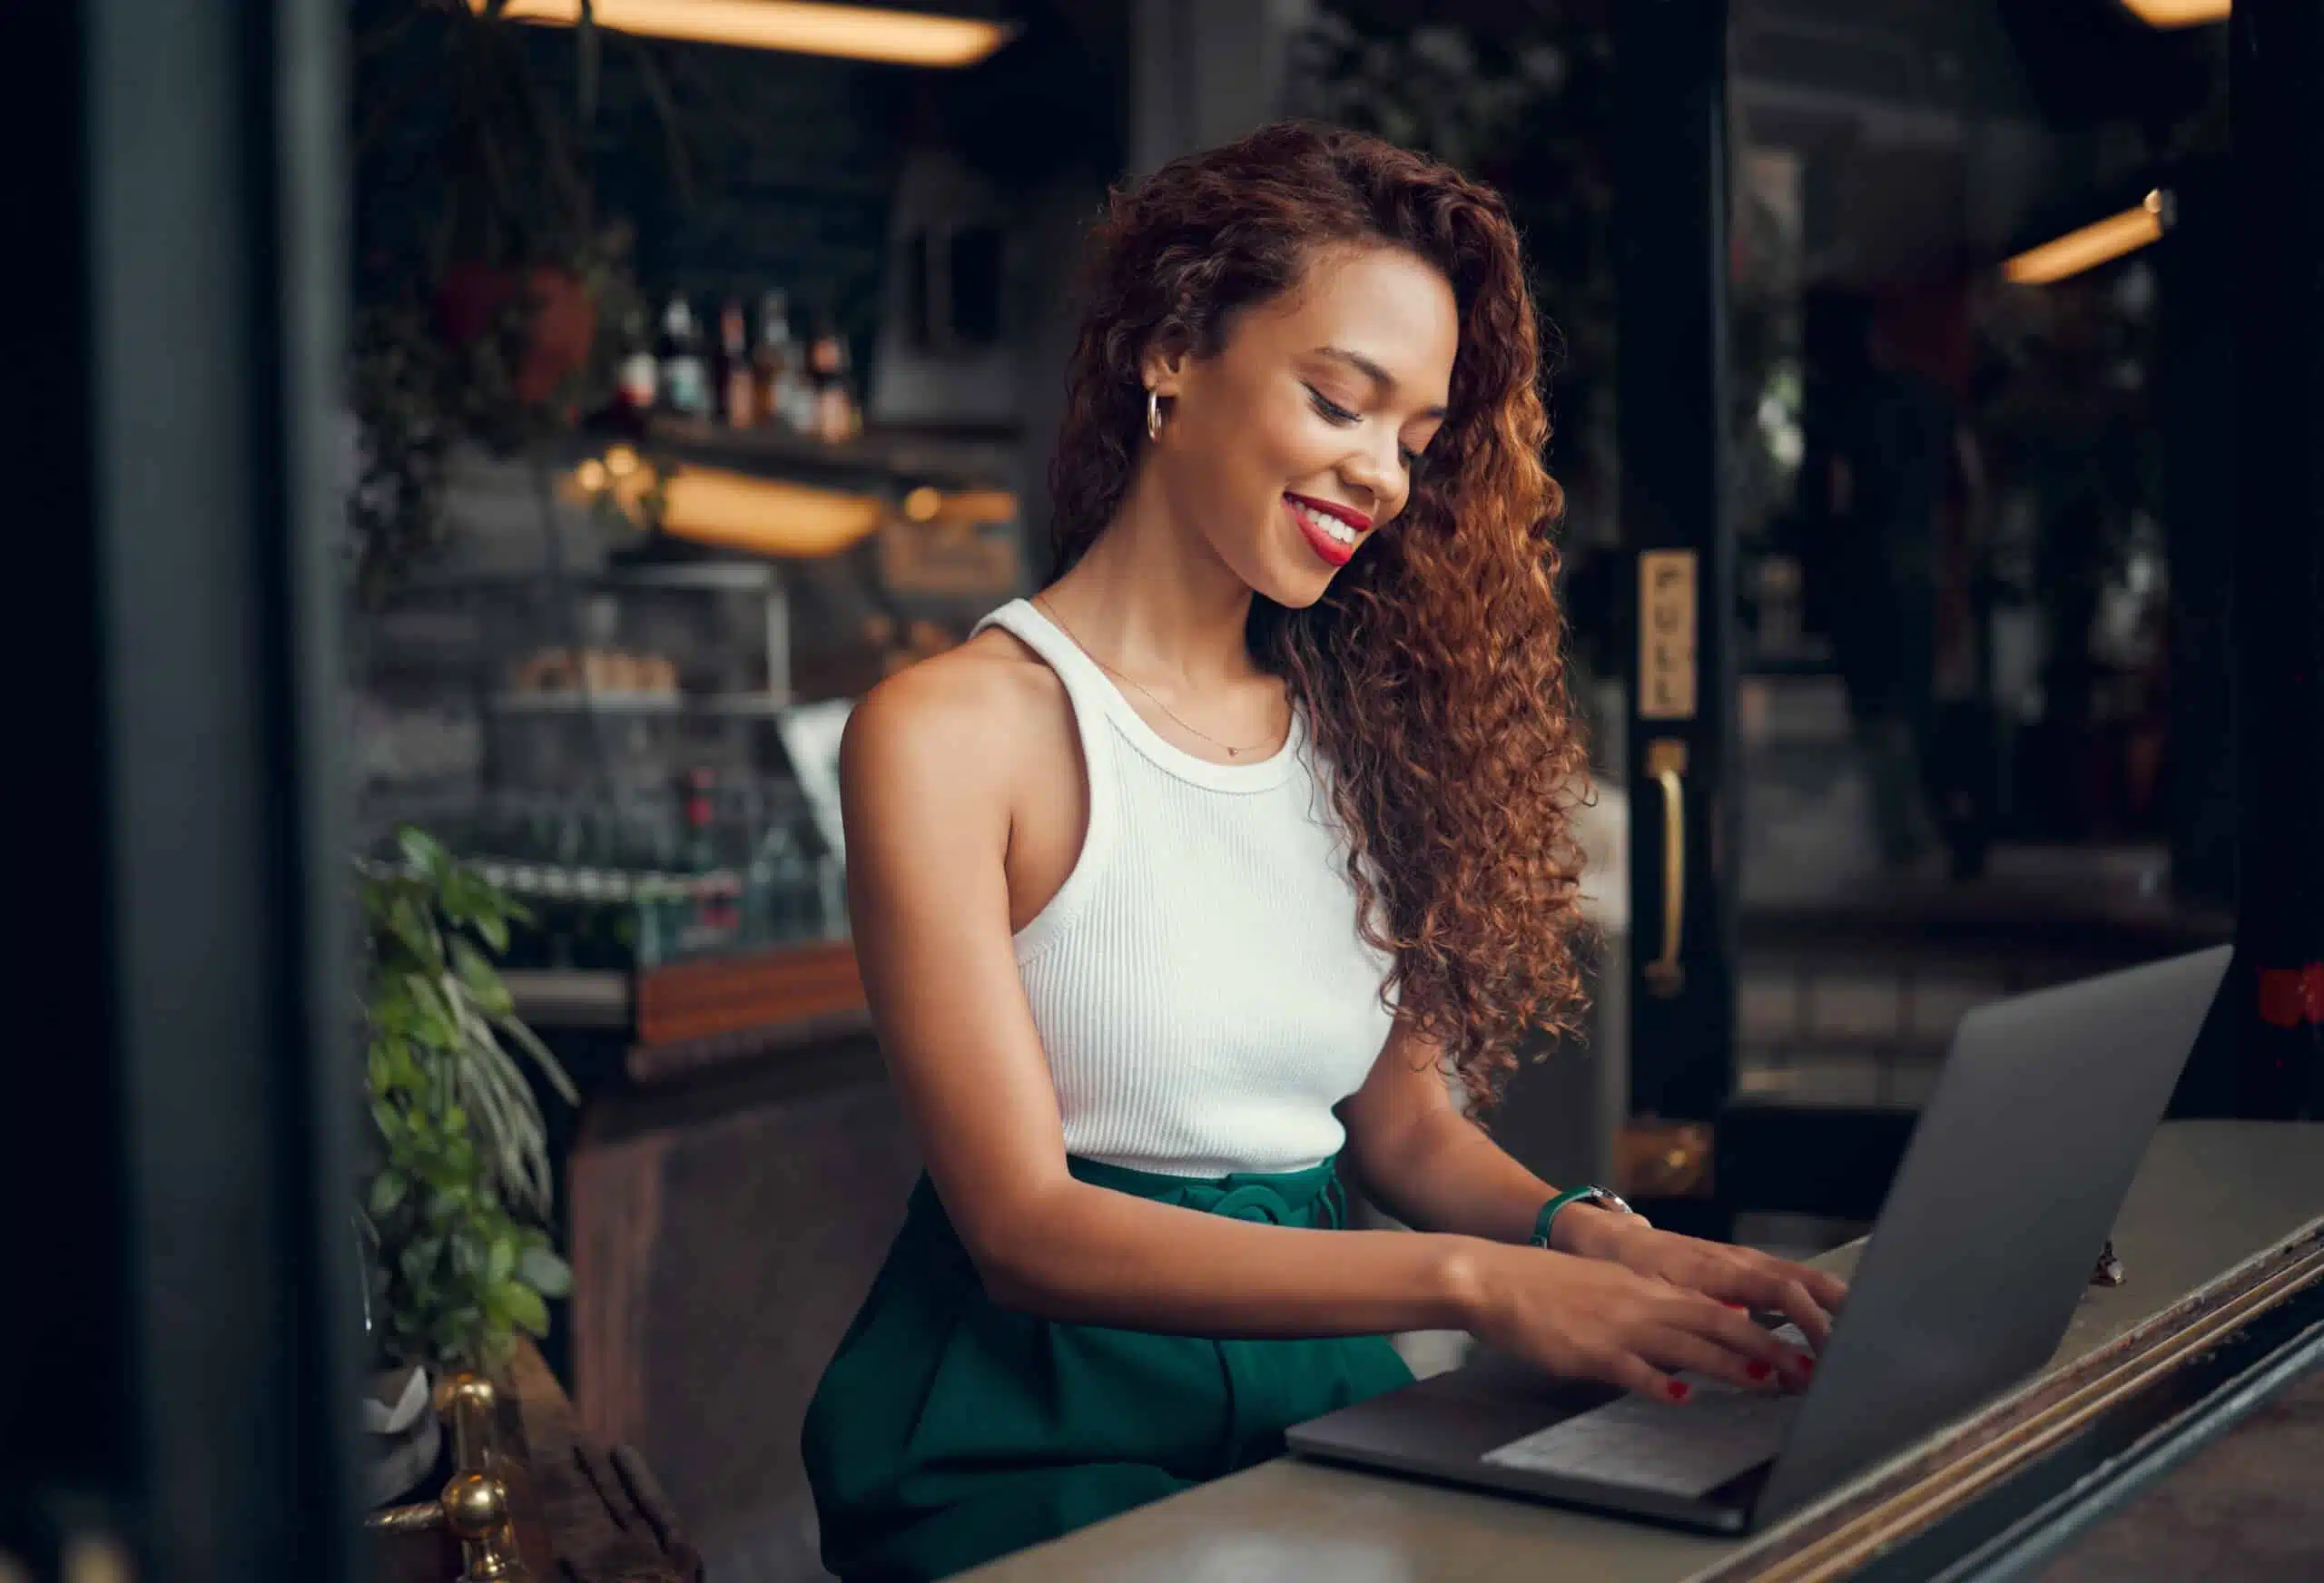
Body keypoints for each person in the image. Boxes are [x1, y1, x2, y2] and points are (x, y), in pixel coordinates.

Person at [802, 123, 1847, 1581]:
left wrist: (1592, 1237)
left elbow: (1403, 1132)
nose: (1384, 477)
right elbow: (1024, 1229)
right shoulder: (951, 733)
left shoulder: (1360, 736)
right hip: (1031, 1428)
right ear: (1172, 350)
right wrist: (1480, 1286)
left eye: (1415, 443)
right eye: (1340, 404)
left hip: (1312, 1399)